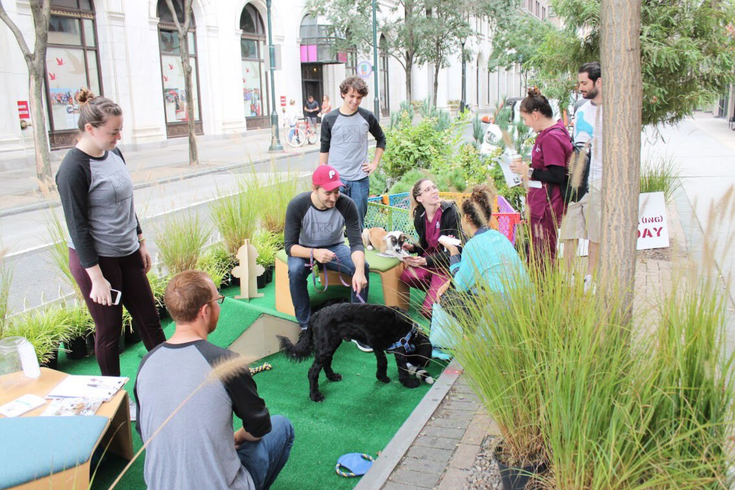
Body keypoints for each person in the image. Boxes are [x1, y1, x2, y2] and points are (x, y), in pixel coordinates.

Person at [56, 89, 166, 419]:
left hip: (127, 251)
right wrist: (96, 279)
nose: (119, 137)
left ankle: (168, 381)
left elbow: (126, 204)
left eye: (120, 130)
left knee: (150, 320)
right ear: (90, 129)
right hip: (97, 261)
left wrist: (141, 241)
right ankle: (115, 402)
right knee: (109, 333)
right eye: (113, 131)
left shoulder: (114, 154)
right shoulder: (73, 169)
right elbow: (78, 228)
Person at [135, 271, 294, 490]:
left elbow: (146, 434)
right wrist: (237, 436)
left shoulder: (147, 363)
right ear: (205, 311)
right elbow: (260, 427)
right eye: (218, 300)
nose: (219, 306)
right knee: (283, 427)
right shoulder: (224, 363)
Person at [429, 184, 528, 358]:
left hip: (499, 308)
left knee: (445, 297)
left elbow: (460, 285)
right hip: (522, 303)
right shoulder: (500, 237)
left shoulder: (474, 244)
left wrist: (453, 252)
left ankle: (447, 347)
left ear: (467, 217)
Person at [284, 165, 369, 342]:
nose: (333, 197)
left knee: (362, 266)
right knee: (295, 271)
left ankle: (357, 325)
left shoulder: (347, 204)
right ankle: (305, 325)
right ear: (314, 189)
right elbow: (290, 247)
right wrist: (314, 253)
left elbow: (355, 243)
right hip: (304, 248)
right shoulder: (297, 205)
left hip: (335, 246)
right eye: (328, 192)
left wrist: (359, 270)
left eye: (337, 191)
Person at [509, 87, 572, 265]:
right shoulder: (548, 134)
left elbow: (557, 174)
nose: (526, 123)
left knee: (542, 256)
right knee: (538, 254)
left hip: (546, 205)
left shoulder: (551, 137)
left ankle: (543, 291)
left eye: (525, 118)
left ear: (535, 114)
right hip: (540, 204)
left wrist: (527, 171)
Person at [320, 77, 386, 227]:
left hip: (359, 180)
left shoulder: (367, 116)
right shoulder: (330, 119)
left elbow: (381, 139)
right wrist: (322, 176)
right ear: (343, 94)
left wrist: (375, 163)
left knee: (357, 224)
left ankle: (357, 250)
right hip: (336, 179)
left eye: (359, 97)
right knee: (333, 222)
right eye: (351, 96)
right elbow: (324, 147)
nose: (355, 101)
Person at [559, 61, 603, 292]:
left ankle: (590, 278)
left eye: (584, 83)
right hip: (577, 180)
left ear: (599, 82)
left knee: (595, 232)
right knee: (570, 231)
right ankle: (568, 275)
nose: (581, 87)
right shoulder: (581, 108)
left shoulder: (612, 111)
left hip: (599, 180)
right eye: (580, 83)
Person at [400, 178, 463, 319]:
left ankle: (444, 289)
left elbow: (454, 250)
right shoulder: (419, 215)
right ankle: (434, 289)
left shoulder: (451, 212)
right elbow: (425, 242)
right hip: (429, 260)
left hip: (446, 265)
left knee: (428, 312)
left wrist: (424, 261)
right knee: (406, 276)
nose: (434, 191)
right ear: (419, 198)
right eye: (428, 189)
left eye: (434, 187)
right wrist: (411, 247)